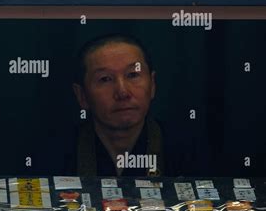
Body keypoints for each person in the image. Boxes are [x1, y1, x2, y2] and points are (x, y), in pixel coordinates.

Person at [70, 33, 206, 177]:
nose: (122, 92)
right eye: (105, 79)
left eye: (132, 75)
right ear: (82, 95)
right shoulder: (56, 154)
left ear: (152, 84)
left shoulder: (187, 152)